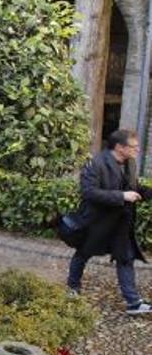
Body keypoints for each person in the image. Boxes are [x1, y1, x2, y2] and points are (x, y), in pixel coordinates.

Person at [67, 128, 152, 313]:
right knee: (83, 254)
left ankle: (133, 303)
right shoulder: (96, 163)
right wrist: (121, 196)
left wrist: (146, 193)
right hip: (97, 222)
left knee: (125, 258)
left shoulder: (130, 163)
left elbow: (134, 187)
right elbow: (88, 192)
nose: (137, 150)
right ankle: (72, 288)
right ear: (120, 147)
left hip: (121, 223)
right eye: (134, 147)